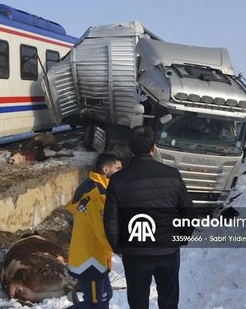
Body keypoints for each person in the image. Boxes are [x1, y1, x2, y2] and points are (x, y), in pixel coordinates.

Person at [104, 126, 194, 309]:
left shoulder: (118, 180)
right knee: (169, 300)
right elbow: (189, 213)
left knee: (138, 302)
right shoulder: (172, 175)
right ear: (153, 148)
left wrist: (119, 247)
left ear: (129, 147)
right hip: (168, 251)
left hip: (135, 252)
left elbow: (110, 220)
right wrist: (181, 238)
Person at [67, 152, 122, 309]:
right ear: (106, 169)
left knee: (106, 296)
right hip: (90, 261)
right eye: (118, 168)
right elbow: (103, 231)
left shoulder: (92, 185)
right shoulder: (96, 194)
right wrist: (122, 249)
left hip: (95, 257)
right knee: (94, 303)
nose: (121, 172)